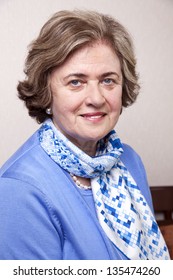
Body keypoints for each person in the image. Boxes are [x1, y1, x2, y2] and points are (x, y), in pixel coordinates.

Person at [0, 10, 170, 260]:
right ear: (46, 91)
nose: (96, 98)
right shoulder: (19, 190)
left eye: (108, 80)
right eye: (76, 82)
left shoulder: (130, 161)